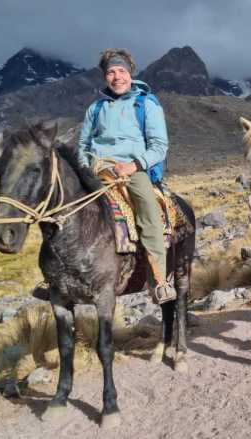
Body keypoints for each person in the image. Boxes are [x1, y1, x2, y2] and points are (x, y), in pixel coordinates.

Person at [77, 48, 174, 303]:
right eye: (111, 72)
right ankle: (60, 276)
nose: (117, 76)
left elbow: (159, 146)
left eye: (121, 71)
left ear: (130, 73)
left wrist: (134, 166)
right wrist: (86, 166)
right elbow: (83, 146)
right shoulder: (95, 109)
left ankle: (160, 281)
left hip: (132, 171)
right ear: (104, 77)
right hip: (98, 170)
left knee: (148, 211)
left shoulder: (146, 104)